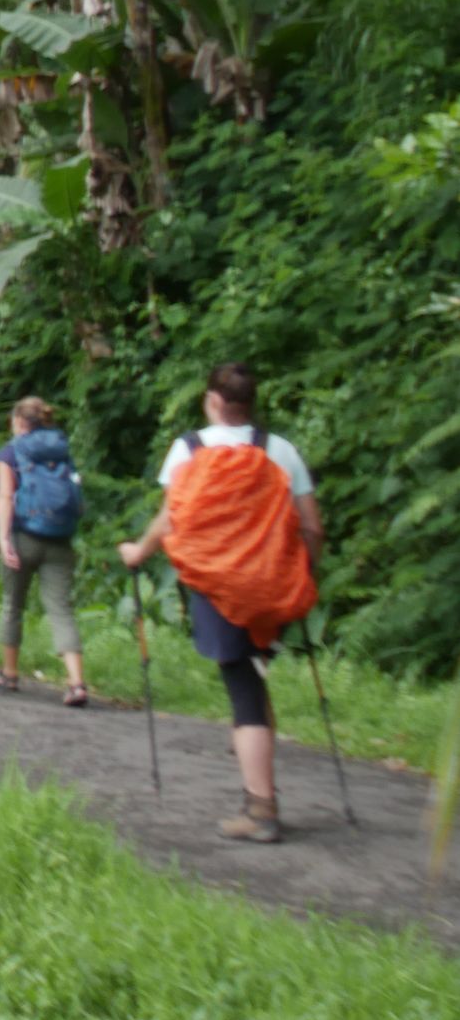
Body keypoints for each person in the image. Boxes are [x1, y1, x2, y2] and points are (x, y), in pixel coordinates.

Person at [118, 362, 323, 845]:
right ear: (251, 403)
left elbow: (171, 519)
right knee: (254, 679)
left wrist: (137, 552)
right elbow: (312, 527)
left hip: (218, 590)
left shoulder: (189, 450)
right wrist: (300, 575)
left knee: (244, 691)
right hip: (273, 589)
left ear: (212, 400)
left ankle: (261, 808)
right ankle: (260, 781)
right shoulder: (279, 450)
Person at [0, 397, 90, 706]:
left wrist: (4, 538)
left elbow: (5, 496)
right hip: (60, 539)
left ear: (20, 422)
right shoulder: (61, 449)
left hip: (23, 536)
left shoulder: (11, 452)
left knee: (13, 605)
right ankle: (76, 683)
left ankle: (10, 673)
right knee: (61, 609)